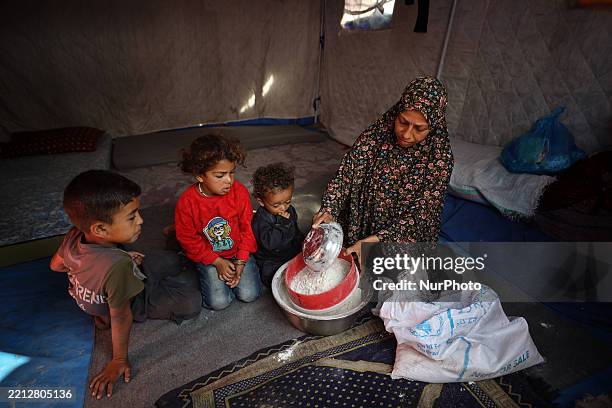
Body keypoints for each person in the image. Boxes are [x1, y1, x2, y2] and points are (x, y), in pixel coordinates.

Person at [50, 170, 200, 400]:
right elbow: (121, 315)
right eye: (132, 217)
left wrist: (90, 274)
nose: (141, 220)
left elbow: (56, 266)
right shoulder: (117, 266)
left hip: (112, 275)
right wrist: (119, 359)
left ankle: (131, 272)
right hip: (126, 303)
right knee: (190, 302)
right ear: (100, 229)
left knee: (169, 260)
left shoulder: (75, 234)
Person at [312, 76, 454, 262]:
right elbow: (345, 176)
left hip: (402, 235)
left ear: (433, 127)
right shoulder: (376, 136)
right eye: (403, 122)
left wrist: (379, 240)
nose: (407, 134)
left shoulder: (439, 159)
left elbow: (421, 214)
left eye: (419, 129)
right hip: (361, 222)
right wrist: (329, 207)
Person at [175, 134, 261, 310]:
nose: (229, 180)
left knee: (249, 295)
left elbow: (247, 228)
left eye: (232, 172)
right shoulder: (187, 202)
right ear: (199, 175)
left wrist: (242, 260)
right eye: (220, 175)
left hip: (238, 252)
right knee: (219, 303)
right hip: (210, 255)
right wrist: (216, 262)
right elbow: (188, 239)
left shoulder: (240, 192)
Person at [251, 162, 305, 286]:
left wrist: (302, 240)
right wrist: (282, 224)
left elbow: (295, 229)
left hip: (290, 251)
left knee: (305, 268)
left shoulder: (289, 210)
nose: (283, 208)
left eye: (287, 202)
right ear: (261, 201)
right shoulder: (260, 220)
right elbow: (270, 243)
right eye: (276, 205)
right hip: (271, 259)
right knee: (274, 280)